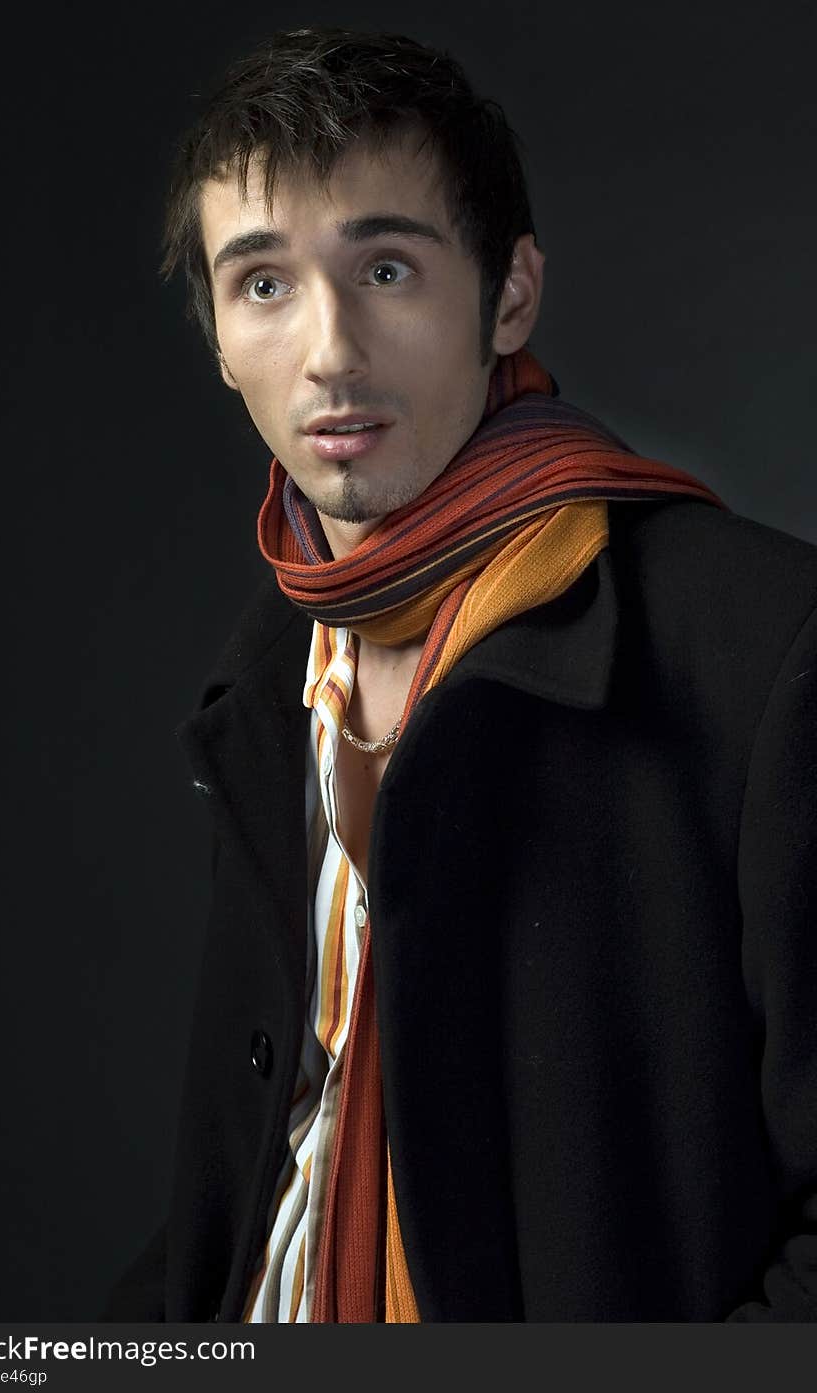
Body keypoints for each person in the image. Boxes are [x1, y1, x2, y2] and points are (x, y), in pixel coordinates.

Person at [105, 28, 817, 1323]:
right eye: (262, 283)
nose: (328, 350)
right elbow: (271, 1160)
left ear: (511, 295)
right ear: (214, 330)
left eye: (386, 267)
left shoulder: (763, 647)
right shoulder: (272, 681)